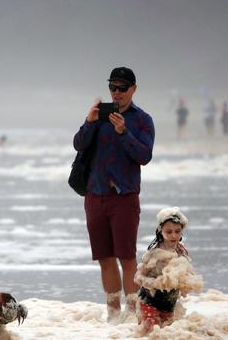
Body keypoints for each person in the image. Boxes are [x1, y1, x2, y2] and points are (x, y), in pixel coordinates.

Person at [72, 67, 155, 322]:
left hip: (125, 197)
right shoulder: (99, 117)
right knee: (105, 258)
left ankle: (132, 312)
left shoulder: (142, 120)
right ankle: (113, 313)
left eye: (122, 88)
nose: (116, 93)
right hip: (95, 195)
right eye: (113, 88)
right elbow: (78, 144)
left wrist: (123, 133)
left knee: (126, 256)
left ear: (133, 89)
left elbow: (144, 156)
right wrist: (89, 122)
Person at [134, 207, 197, 334]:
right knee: (151, 333)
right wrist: (155, 283)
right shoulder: (154, 253)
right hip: (149, 301)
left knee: (168, 333)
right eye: (169, 232)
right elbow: (137, 277)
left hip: (169, 304)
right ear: (160, 231)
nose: (173, 235)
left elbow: (187, 275)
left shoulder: (182, 252)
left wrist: (187, 283)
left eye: (177, 231)